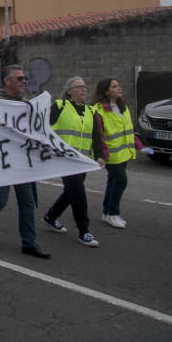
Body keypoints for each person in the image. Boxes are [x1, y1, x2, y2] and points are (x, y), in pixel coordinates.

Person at [0, 65, 51, 259]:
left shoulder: (25, 103)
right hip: (2, 161)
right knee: (0, 200)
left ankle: (29, 242)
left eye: (24, 78)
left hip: (21, 161)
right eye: (19, 78)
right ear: (7, 81)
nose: (24, 81)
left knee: (27, 202)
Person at [42, 77, 103, 246]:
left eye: (84, 86)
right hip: (65, 160)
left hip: (82, 160)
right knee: (78, 194)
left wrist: (99, 155)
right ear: (70, 91)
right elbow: (44, 128)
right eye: (79, 87)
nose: (84, 89)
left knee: (71, 193)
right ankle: (84, 231)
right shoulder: (60, 106)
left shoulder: (91, 111)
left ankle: (51, 216)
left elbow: (96, 136)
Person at [92, 77, 144, 229]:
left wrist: (139, 146)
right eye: (114, 87)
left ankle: (107, 212)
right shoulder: (99, 110)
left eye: (118, 85)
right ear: (106, 91)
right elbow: (98, 135)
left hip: (124, 153)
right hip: (111, 154)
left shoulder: (122, 106)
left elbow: (128, 130)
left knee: (113, 181)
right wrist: (100, 154)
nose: (119, 88)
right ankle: (113, 214)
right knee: (121, 181)